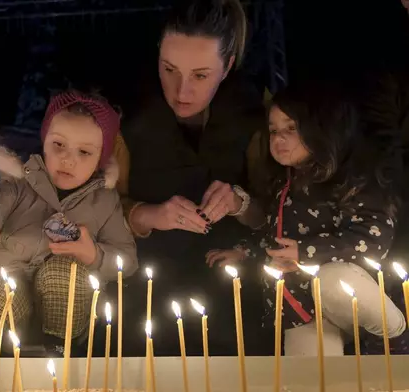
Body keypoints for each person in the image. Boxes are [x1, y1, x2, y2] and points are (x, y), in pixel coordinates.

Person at [206, 83, 407, 355]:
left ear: (322, 129)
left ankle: (393, 336)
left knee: (331, 279)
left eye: (291, 128)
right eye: (274, 130)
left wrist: (306, 252)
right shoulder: (281, 184)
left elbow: (372, 239)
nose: (278, 139)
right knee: (311, 378)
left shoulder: (351, 180)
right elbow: (275, 236)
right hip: (300, 305)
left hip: (349, 295)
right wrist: (245, 251)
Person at [114, 0, 265, 355]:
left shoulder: (255, 115)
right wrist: (149, 215)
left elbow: (277, 211)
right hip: (146, 288)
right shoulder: (126, 117)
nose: (182, 91)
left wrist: (239, 202)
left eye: (200, 75)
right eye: (169, 70)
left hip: (233, 288)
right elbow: (95, 205)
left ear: (227, 66)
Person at [0, 90, 138, 352]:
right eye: (59, 145)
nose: (68, 159)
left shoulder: (104, 201)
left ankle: (61, 349)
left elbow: (128, 261)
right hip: (11, 283)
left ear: (100, 158)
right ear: (44, 142)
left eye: (84, 152)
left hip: (66, 301)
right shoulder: (21, 183)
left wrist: (92, 255)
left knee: (64, 273)